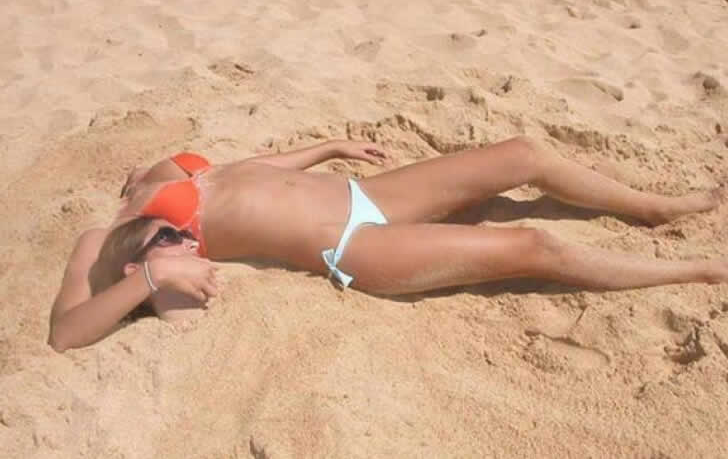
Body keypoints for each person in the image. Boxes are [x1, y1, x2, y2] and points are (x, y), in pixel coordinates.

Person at [48, 136, 726, 352]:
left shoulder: (169, 173)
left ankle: (657, 208)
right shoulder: (103, 236)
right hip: (348, 243)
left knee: (523, 153)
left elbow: (251, 171)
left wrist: (327, 147)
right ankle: (693, 271)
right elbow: (65, 333)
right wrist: (150, 278)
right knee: (532, 244)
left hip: (368, 191)